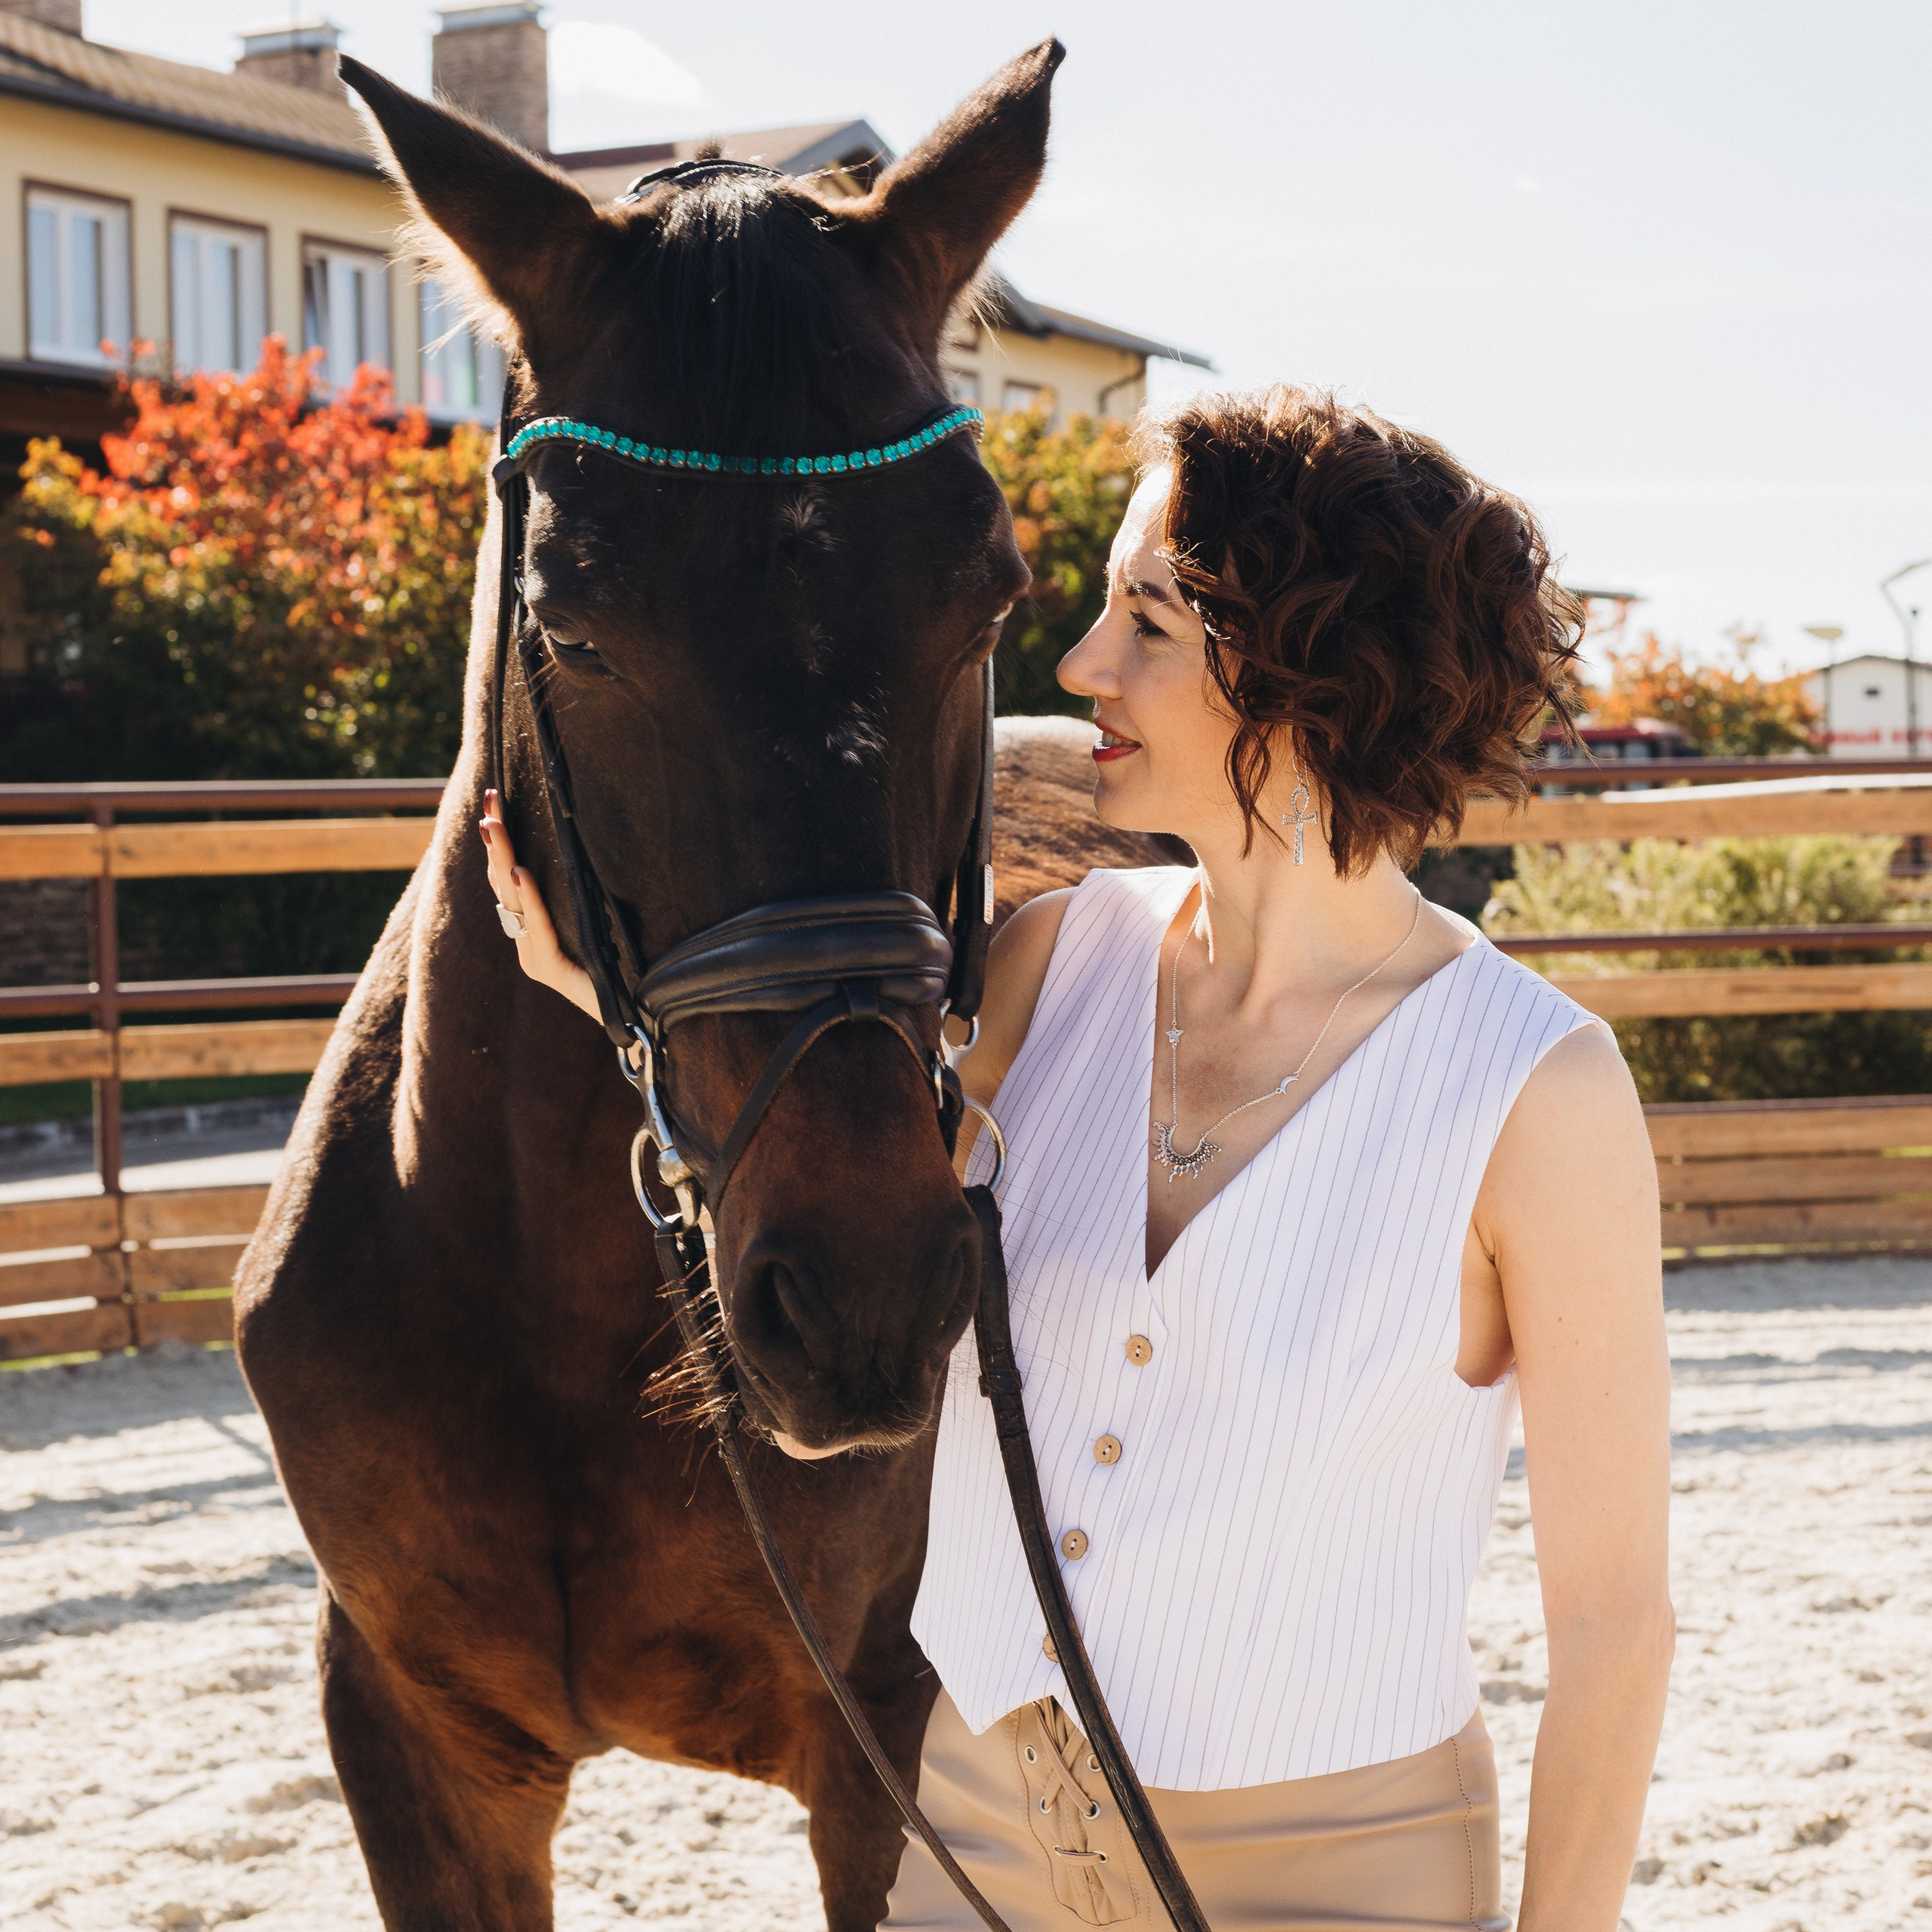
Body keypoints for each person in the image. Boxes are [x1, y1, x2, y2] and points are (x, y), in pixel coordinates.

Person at [480, 384, 1673, 1932]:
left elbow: (1610, 1620)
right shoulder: (1047, 968)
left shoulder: (1533, 1088)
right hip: (973, 1843)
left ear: (1308, 673)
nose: (1077, 665)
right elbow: (805, 1135)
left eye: (1147, 621)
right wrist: (597, 989)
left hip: (1335, 1883)